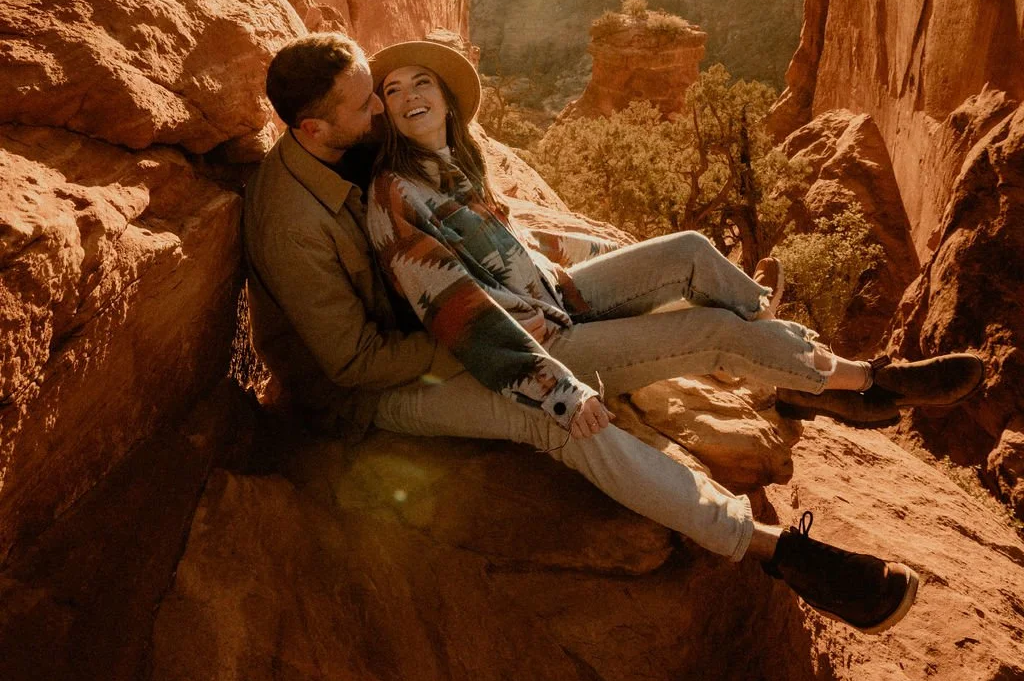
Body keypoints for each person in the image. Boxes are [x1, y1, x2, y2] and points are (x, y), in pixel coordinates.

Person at [243, 32, 981, 635]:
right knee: (558, 420)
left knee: (688, 263)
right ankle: (779, 552)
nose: (385, 102)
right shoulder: (296, 220)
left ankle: (857, 381)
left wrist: (569, 270)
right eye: (371, 95)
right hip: (374, 389)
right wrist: (519, 359)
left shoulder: (373, 144)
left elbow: (495, 237)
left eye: (389, 87)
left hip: (480, 319)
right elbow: (352, 360)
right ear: (313, 128)